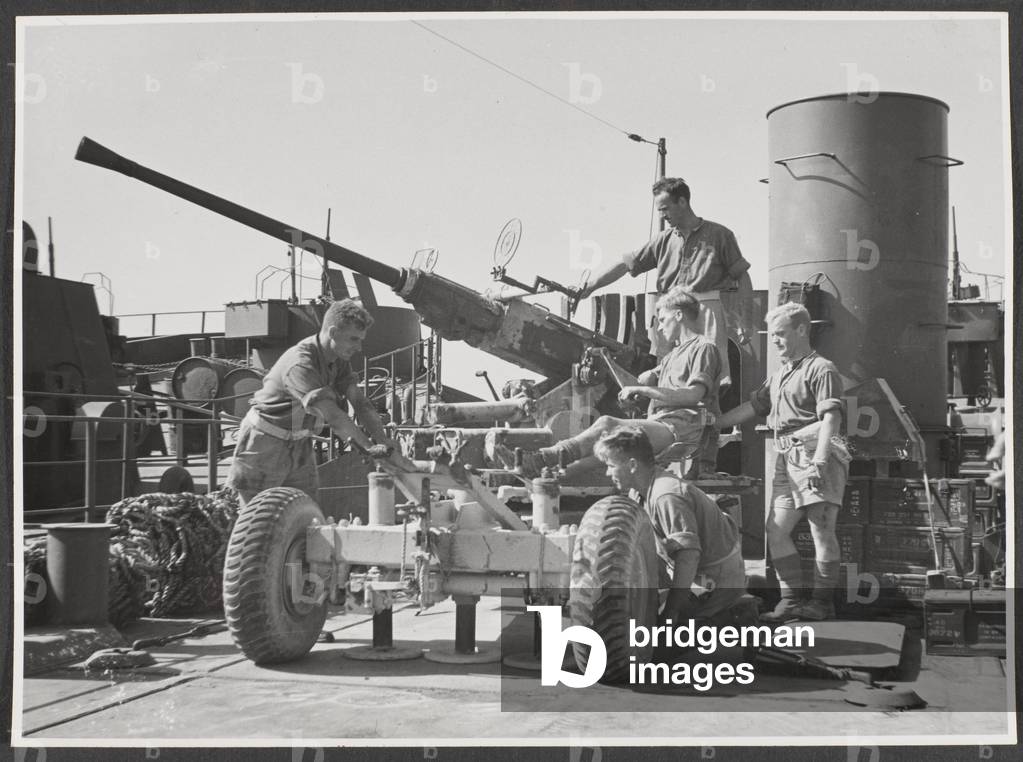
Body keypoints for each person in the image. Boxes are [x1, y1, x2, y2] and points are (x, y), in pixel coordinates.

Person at [488, 285, 721, 478]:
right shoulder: (673, 356)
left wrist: (645, 389)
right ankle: (545, 474)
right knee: (604, 450)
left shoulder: (703, 348)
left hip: (683, 428)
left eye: (662, 320)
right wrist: (611, 363)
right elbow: (639, 382)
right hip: (663, 423)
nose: (659, 327)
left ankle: (540, 458)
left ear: (678, 315)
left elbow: (693, 395)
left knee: (607, 424)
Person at [716, 301, 851, 622]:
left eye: (780, 334)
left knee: (821, 531)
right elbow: (752, 408)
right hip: (785, 459)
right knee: (775, 530)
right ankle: (790, 601)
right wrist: (714, 422)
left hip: (815, 454)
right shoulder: (780, 375)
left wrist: (819, 460)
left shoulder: (822, 369)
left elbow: (831, 420)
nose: (774, 341)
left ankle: (821, 603)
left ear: (802, 330)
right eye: (772, 335)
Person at [226, 298, 405, 507]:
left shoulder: (338, 361)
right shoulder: (301, 363)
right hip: (264, 443)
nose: (359, 347)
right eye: (354, 339)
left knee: (307, 517)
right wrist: (368, 449)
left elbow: (360, 403)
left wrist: (383, 440)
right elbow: (334, 416)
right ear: (333, 332)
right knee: (255, 521)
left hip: (299, 442)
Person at [577, 177, 755, 386]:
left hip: (705, 313)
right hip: (670, 313)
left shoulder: (720, 235)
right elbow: (626, 264)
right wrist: (591, 286)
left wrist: (746, 319)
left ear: (682, 202)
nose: (662, 215)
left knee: (709, 372)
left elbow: (742, 276)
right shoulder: (662, 240)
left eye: (665, 209)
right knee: (667, 373)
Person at [593, 426, 745, 622]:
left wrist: (671, 612)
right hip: (695, 573)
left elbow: (688, 557)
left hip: (716, 582)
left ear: (632, 465)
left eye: (611, 465)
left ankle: (736, 616)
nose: (607, 473)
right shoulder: (639, 491)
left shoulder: (666, 495)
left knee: (660, 644)